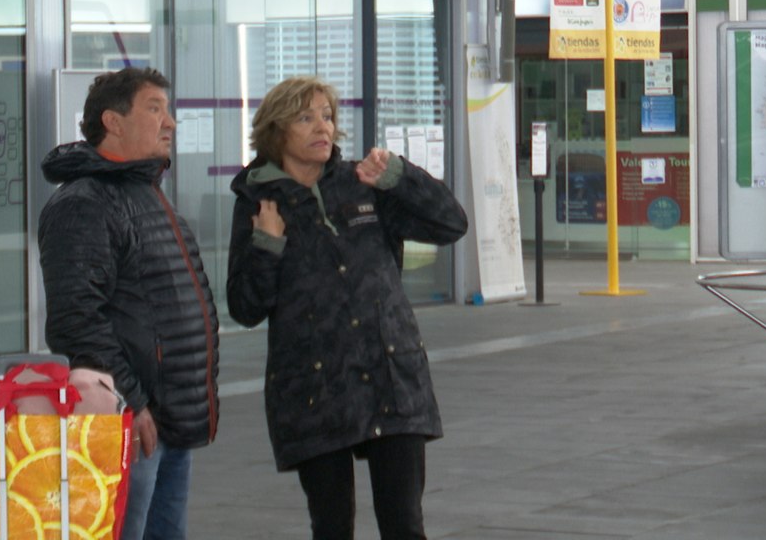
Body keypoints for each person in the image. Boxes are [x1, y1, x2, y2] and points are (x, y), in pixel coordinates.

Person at [226, 76, 467, 540]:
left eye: (327, 115)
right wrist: (266, 244)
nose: (323, 126)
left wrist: (401, 177)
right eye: (305, 117)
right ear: (277, 131)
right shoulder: (259, 201)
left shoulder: (363, 183)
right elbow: (245, 306)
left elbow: (451, 223)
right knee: (332, 527)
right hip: (314, 387)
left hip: (390, 376)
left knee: (404, 525)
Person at [39, 67, 219, 540]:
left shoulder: (148, 194)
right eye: (154, 108)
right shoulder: (84, 203)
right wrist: (130, 403)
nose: (170, 122)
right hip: (129, 423)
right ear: (113, 122)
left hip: (169, 421)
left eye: (168, 109)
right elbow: (77, 321)